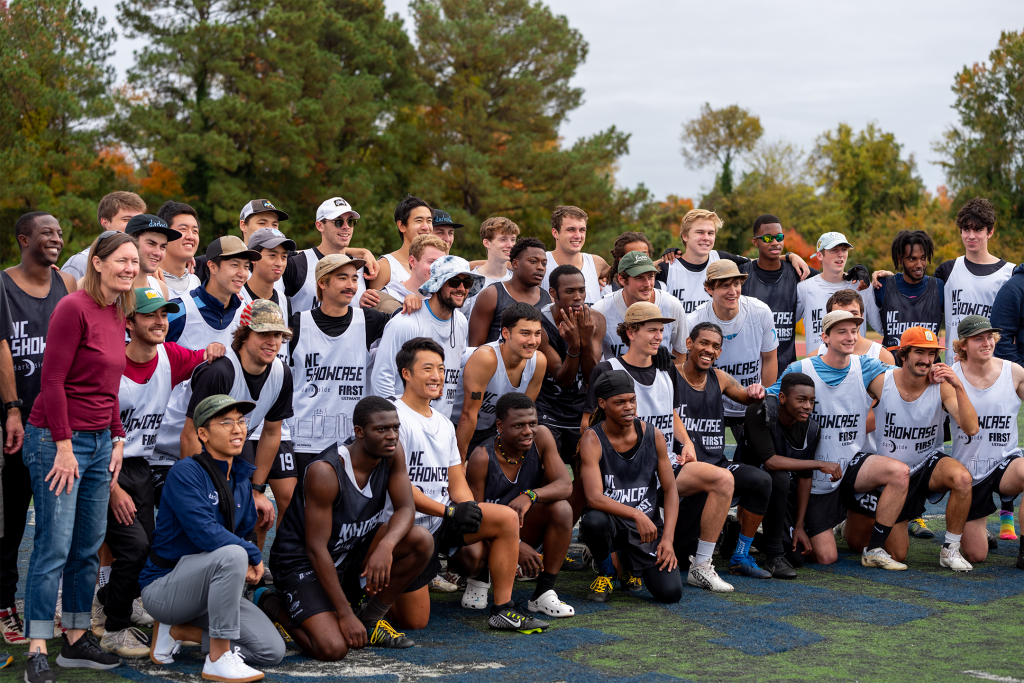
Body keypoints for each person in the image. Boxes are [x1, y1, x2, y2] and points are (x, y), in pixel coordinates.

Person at [23, 232, 138, 682]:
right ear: (97, 261)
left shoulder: (118, 310)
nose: (130, 268)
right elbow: (51, 382)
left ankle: (74, 639)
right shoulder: (73, 308)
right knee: (53, 544)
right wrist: (65, 446)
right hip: (56, 442)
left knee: (88, 547)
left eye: (134, 262)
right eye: (122, 260)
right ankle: (37, 647)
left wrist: (117, 437)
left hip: (96, 444)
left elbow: (107, 386)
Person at [92, 288, 225, 657]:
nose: (159, 321)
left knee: (150, 552)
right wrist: (112, 487)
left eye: (164, 315)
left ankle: (107, 601)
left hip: (140, 468)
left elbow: (204, 357)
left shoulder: (169, 355)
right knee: (132, 548)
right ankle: (114, 629)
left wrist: (214, 350)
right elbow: (96, 434)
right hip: (103, 465)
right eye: (150, 315)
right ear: (128, 322)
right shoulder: (109, 364)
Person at [383, 339, 547, 634]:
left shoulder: (444, 423)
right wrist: (450, 512)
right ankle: (367, 590)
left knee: (505, 518)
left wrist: (467, 506)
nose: (437, 376)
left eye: (442, 369)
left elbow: (455, 477)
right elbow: (401, 490)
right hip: (405, 526)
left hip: (441, 518)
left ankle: (503, 610)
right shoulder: (393, 417)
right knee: (415, 622)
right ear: (406, 373)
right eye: (427, 368)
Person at [263, 396, 432, 658]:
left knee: (421, 540)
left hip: (349, 552)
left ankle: (369, 619)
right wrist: (344, 616)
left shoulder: (392, 453)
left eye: (395, 428)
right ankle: (270, 603)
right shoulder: (326, 471)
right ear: (359, 432)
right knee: (332, 648)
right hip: (302, 563)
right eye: (382, 429)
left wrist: (385, 547)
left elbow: (406, 508)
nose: (392, 436)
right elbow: (316, 549)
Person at [141, 395, 286, 679]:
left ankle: (180, 631)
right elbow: (207, 535)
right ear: (203, 434)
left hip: (212, 592)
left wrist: (248, 558)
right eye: (226, 422)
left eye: (241, 422)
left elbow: (242, 534)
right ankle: (218, 658)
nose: (238, 429)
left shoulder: (241, 480)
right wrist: (253, 555)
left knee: (271, 651)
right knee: (233, 553)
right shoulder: (186, 472)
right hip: (165, 590)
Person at [768, 310, 910, 570]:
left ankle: (874, 548)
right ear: (825, 337)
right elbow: (771, 398)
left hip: (852, 463)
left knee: (899, 473)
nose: (850, 337)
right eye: (842, 331)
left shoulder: (865, 365)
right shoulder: (801, 368)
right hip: (814, 473)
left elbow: (905, 377)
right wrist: (756, 392)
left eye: (854, 331)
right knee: (826, 557)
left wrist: (933, 372)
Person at [843, 327, 976, 571]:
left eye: (931, 354)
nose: (926, 360)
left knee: (962, 478)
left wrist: (958, 386)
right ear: (903, 355)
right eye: (919, 352)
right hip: (890, 474)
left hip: (926, 464)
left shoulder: (942, 386)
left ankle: (950, 549)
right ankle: (856, 517)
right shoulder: (881, 381)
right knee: (885, 549)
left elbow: (971, 428)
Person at [0, 212, 75, 645]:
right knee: (11, 522)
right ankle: (5, 605)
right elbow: (3, 348)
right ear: (23, 237)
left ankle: (49, 609)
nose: (57, 239)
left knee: (57, 524)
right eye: (48, 232)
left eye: (60, 233)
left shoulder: (66, 283)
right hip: (17, 421)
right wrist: (12, 408)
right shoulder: (3, 285)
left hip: (57, 425)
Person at [182, 300, 294, 549]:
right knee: (209, 514)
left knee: (259, 511)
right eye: (263, 333)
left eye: (277, 334)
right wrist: (197, 492)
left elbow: (272, 432)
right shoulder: (220, 371)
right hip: (177, 449)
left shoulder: (281, 373)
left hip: (229, 442)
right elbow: (190, 436)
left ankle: (250, 580)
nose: (272, 341)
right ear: (244, 334)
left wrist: (256, 490)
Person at [287, 254, 390, 505]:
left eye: (354, 278)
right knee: (296, 512)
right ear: (322, 283)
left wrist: (406, 300)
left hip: (348, 443)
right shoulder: (297, 323)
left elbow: (410, 322)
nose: (351, 285)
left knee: (342, 510)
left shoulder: (368, 320)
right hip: (303, 440)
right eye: (342, 278)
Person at [674, 322, 771, 581]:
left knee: (761, 480)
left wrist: (755, 391)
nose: (709, 350)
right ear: (689, 343)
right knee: (680, 556)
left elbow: (745, 397)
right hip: (682, 468)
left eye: (716, 346)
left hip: (717, 464)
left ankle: (740, 554)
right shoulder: (670, 376)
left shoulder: (719, 377)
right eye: (703, 343)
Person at [153, 236, 260, 468]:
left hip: (221, 441)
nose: (242, 273)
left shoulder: (247, 314)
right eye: (234, 265)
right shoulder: (179, 310)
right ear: (212, 267)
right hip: (166, 442)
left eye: (246, 266)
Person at [465, 393, 575, 617]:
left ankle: (543, 592)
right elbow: (474, 520)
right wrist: (514, 543)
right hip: (488, 537)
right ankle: (479, 577)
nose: (528, 431)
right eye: (518, 425)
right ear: (500, 426)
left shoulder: (541, 437)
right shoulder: (481, 457)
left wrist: (530, 495)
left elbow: (565, 485)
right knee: (471, 554)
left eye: (532, 423)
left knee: (562, 509)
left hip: (523, 527)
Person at [577, 371, 682, 604]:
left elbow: (671, 490)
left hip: (647, 528)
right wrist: (635, 513)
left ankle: (630, 568)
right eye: (620, 402)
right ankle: (607, 572)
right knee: (593, 520)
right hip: (612, 522)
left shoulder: (653, 435)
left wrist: (668, 539)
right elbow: (593, 497)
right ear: (602, 404)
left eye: (632, 400)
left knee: (671, 593)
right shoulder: (592, 440)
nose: (629, 407)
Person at [738, 373, 836, 579]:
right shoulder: (758, 411)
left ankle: (735, 535)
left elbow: (805, 477)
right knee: (779, 476)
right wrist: (820, 464)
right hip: (745, 485)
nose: (808, 406)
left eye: (811, 401)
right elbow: (771, 462)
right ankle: (773, 556)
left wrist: (799, 526)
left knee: (797, 557)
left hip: (779, 493)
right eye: (801, 400)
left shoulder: (811, 428)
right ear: (782, 398)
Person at [948, 316, 1024, 566]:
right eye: (978, 338)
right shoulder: (950, 376)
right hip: (969, 473)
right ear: (963, 345)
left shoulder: (1013, 372)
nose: (987, 342)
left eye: (989, 337)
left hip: (1005, 463)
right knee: (976, 555)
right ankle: (981, 533)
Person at [370, 256, 483, 420]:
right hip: (404, 423)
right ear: (437, 283)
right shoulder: (406, 322)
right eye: (454, 281)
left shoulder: (461, 322)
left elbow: (459, 359)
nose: (461, 288)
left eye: (467, 283)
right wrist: (393, 423)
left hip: (440, 424)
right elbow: (381, 378)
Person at [536, 265, 604, 519]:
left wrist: (584, 341)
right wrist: (574, 344)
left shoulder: (594, 319)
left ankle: (567, 530)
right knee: (546, 472)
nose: (578, 297)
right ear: (553, 293)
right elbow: (562, 378)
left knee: (587, 472)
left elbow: (591, 377)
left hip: (580, 408)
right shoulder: (539, 323)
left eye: (582, 290)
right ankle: (534, 532)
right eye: (570, 291)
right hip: (547, 406)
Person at [687, 260, 778, 440]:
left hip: (750, 400)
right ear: (709, 289)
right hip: (711, 405)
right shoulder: (693, 321)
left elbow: (769, 358)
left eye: (736, 284)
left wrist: (763, 400)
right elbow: (686, 370)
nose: (732, 291)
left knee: (758, 461)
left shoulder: (760, 312)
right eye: (725, 285)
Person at [662, 209, 809, 315]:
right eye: (700, 232)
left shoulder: (721, 259)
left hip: (713, 350)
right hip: (677, 353)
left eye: (711, 233)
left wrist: (790, 256)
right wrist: (660, 260)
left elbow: (759, 260)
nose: (706, 237)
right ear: (685, 236)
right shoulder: (667, 267)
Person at [458, 303, 546, 459]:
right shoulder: (486, 358)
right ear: (505, 333)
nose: (533, 341)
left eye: (537, 333)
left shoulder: (539, 362)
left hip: (491, 428)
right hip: (457, 424)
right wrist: (458, 464)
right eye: (525, 333)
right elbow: (468, 414)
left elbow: (521, 413)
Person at [285, 197, 377, 312]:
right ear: (320, 226)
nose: (346, 226)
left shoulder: (363, 266)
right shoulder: (297, 264)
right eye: (338, 222)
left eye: (350, 221)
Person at [592, 250, 687, 361]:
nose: (647, 284)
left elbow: (680, 352)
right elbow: (593, 361)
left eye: (651, 276)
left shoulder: (672, 305)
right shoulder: (601, 310)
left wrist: (669, 376)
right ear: (621, 279)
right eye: (639, 278)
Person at [740, 215, 806, 370]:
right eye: (768, 238)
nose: (775, 242)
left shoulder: (797, 272)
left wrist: (858, 273)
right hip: (749, 371)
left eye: (779, 237)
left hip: (786, 371)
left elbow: (830, 279)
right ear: (755, 241)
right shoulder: (741, 273)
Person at [796, 232, 880, 349]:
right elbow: (784, 327)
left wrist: (888, 282)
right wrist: (790, 256)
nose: (840, 254)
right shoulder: (803, 288)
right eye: (834, 250)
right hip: (817, 365)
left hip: (854, 365)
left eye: (844, 249)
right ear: (820, 255)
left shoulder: (863, 287)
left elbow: (882, 327)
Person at [871, 231, 943, 360]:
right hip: (892, 370)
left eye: (923, 258)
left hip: (928, 371)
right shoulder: (883, 286)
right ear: (900, 259)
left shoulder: (939, 287)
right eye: (912, 259)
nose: (919, 264)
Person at [468, 238, 551, 346]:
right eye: (533, 261)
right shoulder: (491, 295)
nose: (540, 267)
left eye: (544, 264)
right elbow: (475, 347)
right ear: (515, 263)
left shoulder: (549, 299)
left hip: (538, 363)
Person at [193, 198, 289, 285]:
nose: (270, 229)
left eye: (274, 224)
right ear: (243, 225)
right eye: (262, 223)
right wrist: (185, 260)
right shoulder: (212, 261)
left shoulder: (288, 264)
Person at [60, 191, 146, 280]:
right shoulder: (81, 263)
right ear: (105, 222)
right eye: (127, 219)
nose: (136, 226)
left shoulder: (143, 265)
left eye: (139, 221)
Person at [537, 205, 610, 305]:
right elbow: (513, 266)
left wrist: (607, 281)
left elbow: (623, 277)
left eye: (582, 230)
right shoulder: (541, 262)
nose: (578, 236)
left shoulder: (596, 263)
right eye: (571, 230)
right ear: (555, 233)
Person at [808, 289, 894, 364]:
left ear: (862, 315)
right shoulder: (814, 358)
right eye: (839, 314)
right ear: (828, 317)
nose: (847, 319)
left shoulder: (882, 356)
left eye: (853, 313)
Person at [368, 196, 435, 290]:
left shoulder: (437, 266)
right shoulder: (386, 267)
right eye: (419, 221)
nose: (426, 227)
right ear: (402, 226)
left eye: (429, 221)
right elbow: (373, 303)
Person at [463, 217, 517, 320]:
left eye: (513, 239)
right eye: (503, 239)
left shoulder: (518, 280)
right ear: (487, 243)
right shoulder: (468, 281)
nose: (510, 245)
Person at [124, 214, 182, 299]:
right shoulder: (111, 287)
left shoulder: (161, 288)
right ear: (130, 241)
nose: (158, 253)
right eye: (151, 244)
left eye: (163, 247)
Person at [382, 235, 447, 310]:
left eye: (441, 263)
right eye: (431, 262)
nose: (437, 268)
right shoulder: (388, 296)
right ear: (412, 262)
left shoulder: (445, 300)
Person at [156, 201, 202, 299]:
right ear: (164, 234)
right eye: (183, 229)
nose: (191, 237)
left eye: (195, 231)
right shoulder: (149, 280)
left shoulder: (195, 282)